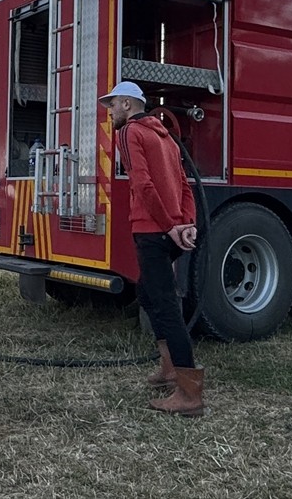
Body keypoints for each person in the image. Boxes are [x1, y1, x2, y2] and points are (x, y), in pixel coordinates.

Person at [99, 80, 204, 417]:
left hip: (152, 231)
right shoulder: (165, 136)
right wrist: (186, 222)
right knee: (146, 291)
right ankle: (169, 368)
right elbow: (185, 184)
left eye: (112, 104)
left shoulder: (129, 133)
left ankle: (189, 396)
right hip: (168, 230)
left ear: (128, 105)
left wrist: (172, 225)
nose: (110, 111)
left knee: (165, 307)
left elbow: (142, 184)